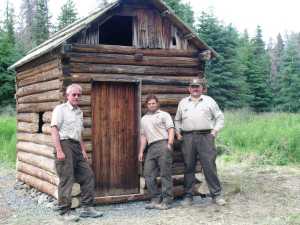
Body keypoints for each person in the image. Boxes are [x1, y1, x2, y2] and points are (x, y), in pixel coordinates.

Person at [51, 84, 103, 222]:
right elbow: (54, 130)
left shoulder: (79, 112)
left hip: (76, 147)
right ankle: (64, 212)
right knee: (67, 177)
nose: (76, 97)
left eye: (79, 95)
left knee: (88, 175)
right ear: (67, 96)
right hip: (64, 144)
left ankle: (87, 208)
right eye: (74, 94)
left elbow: (78, 134)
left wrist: (83, 150)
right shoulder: (60, 109)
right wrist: (59, 150)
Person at [174, 78, 226, 206]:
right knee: (189, 166)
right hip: (188, 137)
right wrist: (178, 132)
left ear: (202, 88)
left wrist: (214, 131)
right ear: (189, 88)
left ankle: (216, 195)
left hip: (206, 136)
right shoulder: (183, 102)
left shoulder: (209, 101)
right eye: (193, 86)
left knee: (209, 165)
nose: (195, 89)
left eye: (198, 86)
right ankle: (188, 196)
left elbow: (220, 117)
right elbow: (177, 120)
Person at [139, 95, 175, 210]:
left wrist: (169, 144)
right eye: (149, 104)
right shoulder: (143, 119)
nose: (151, 105)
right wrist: (141, 151)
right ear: (146, 105)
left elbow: (171, 129)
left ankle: (167, 201)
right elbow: (143, 136)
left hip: (163, 144)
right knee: (148, 174)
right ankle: (155, 199)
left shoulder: (164, 115)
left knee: (165, 174)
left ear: (157, 103)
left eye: (153, 103)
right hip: (151, 147)